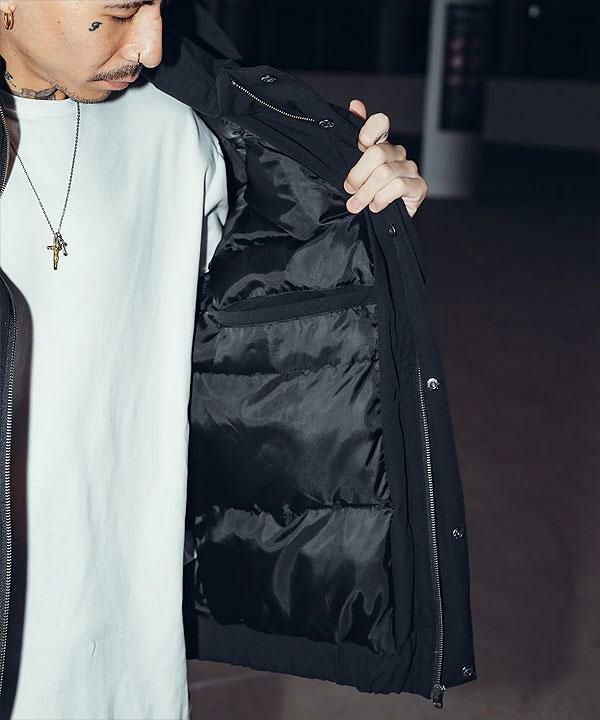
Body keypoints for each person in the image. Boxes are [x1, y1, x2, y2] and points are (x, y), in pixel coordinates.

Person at [0, 1, 441, 718]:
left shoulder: (182, 134)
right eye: (121, 12)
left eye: (160, 5)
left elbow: (273, 326)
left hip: (130, 655)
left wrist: (358, 205)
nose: (151, 46)